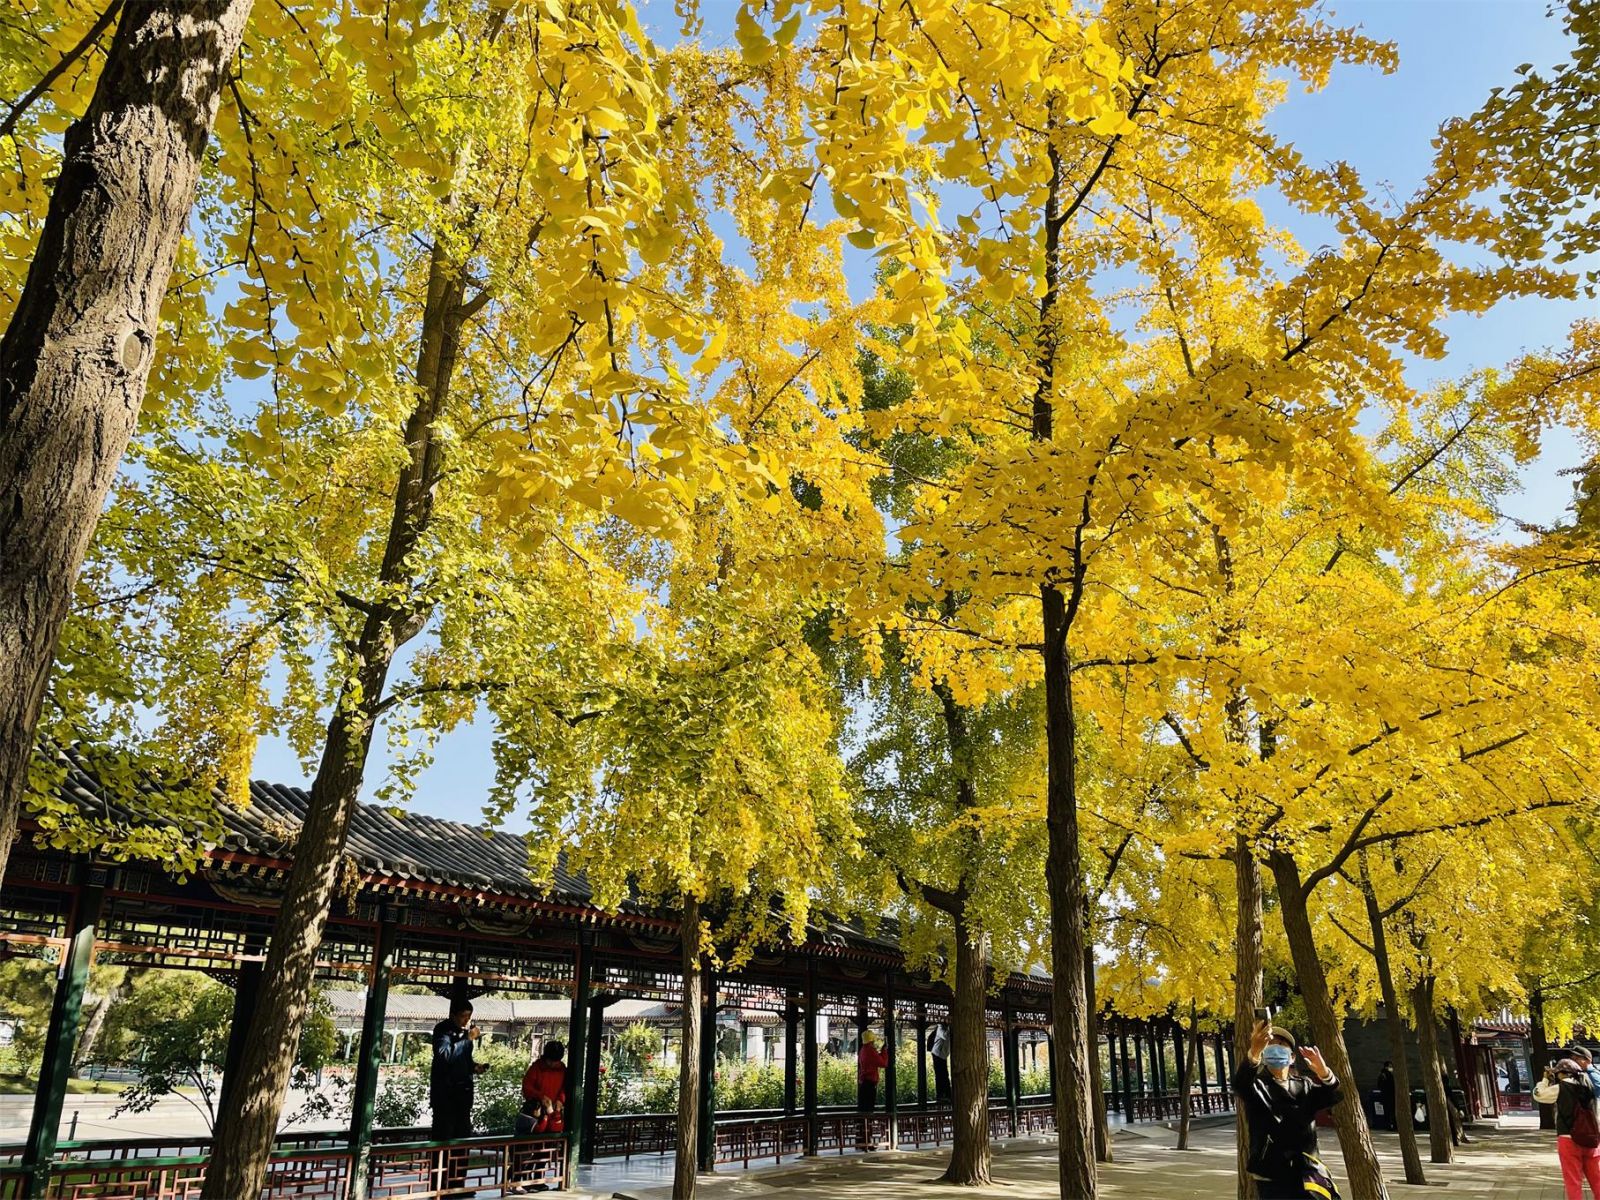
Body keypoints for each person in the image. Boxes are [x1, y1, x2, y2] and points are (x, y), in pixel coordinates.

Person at [1233, 1019, 1342, 1200]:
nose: (1276, 1048)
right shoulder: (1256, 1085)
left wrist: (1324, 1073)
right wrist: (1254, 1053)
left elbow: (1335, 1095)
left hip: (1307, 1169)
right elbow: (1240, 1085)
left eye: (1282, 1045)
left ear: (1292, 1057)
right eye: (1271, 1045)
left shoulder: (1305, 1085)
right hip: (1271, 1171)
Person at [431, 1001, 488, 1192]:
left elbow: (461, 1060)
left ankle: (458, 1184)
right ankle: (439, 1186)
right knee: (444, 1140)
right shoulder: (442, 1030)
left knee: (463, 1141)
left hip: (463, 1096)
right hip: (445, 1096)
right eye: (464, 1016)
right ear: (453, 1015)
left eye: (469, 1016)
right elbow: (445, 1056)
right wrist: (467, 1039)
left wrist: (474, 1067)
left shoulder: (463, 1034)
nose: (466, 1020)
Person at [1533, 1053, 1600, 1200]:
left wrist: (1545, 1079)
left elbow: (1539, 1094)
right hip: (1591, 1139)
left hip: (1568, 1139)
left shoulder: (1561, 1088)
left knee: (1573, 1180)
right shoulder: (1590, 1086)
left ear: (1562, 1073)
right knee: (1597, 1179)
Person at [509, 1041, 568, 1195]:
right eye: (551, 1061)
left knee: (545, 1148)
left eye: (556, 1061)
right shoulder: (536, 1068)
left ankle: (538, 1180)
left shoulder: (562, 1069)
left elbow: (565, 1088)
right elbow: (527, 1087)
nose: (553, 1064)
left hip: (551, 1112)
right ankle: (516, 1180)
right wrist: (541, 1097)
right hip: (535, 1113)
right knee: (526, 1149)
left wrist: (560, 1100)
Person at [928, 1023, 952, 1106]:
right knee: (940, 1075)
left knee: (944, 1075)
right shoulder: (940, 1028)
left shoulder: (943, 1028)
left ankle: (947, 1095)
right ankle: (941, 1096)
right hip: (938, 1054)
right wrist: (950, 1028)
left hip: (942, 1055)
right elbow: (945, 1036)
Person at [1375, 1061, 1395, 1131]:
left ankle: (1389, 1125)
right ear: (1386, 1067)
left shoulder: (1384, 1074)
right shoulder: (1385, 1075)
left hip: (1386, 1096)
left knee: (1388, 1111)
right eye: (1390, 1066)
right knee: (1389, 1111)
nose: (1391, 1068)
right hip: (1388, 1095)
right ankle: (1390, 1126)